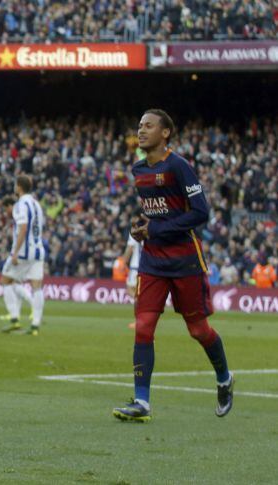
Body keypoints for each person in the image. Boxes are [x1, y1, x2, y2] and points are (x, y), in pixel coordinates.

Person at [113, 109, 233, 422]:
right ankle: (142, 402)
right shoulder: (138, 169)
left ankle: (224, 377)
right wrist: (139, 229)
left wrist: (157, 229)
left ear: (165, 133)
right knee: (143, 326)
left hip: (184, 260)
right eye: (139, 125)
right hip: (152, 260)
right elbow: (153, 216)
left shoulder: (179, 167)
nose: (141, 131)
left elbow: (200, 213)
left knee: (198, 330)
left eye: (148, 126)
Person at [0, 175, 46, 336]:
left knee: (5, 281)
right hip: (38, 250)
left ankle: (14, 320)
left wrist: (15, 253)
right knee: (37, 286)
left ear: (19, 187)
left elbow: (23, 228)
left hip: (24, 252)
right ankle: (35, 325)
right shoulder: (36, 204)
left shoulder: (20, 204)